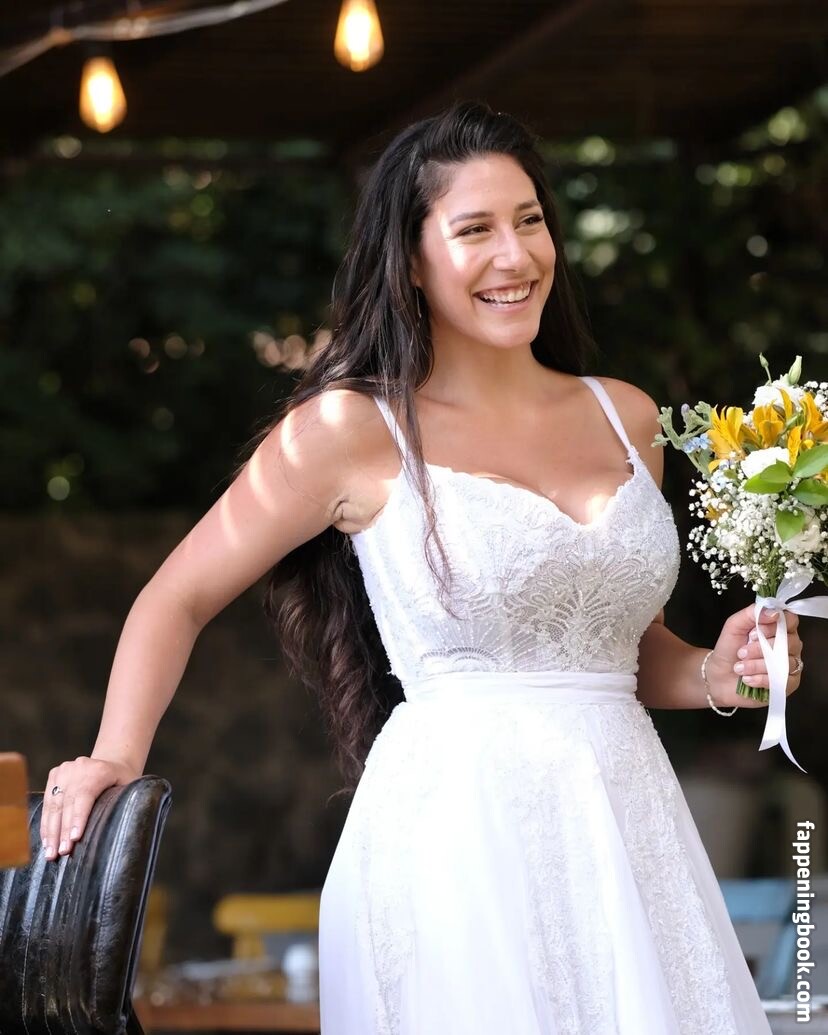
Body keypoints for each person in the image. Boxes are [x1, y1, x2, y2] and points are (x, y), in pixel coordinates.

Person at [42, 100, 803, 1034]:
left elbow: (622, 651)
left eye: (529, 221)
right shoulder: (347, 430)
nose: (514, 256)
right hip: (454, 845)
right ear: (410, 259)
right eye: (474, 230)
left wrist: (721, 672)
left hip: (628, 831)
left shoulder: (627, 417)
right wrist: (115, 756)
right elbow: (175, 596)